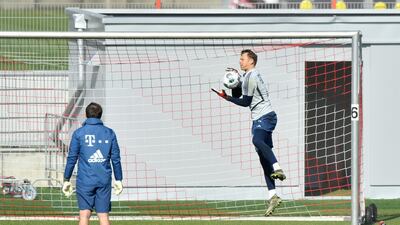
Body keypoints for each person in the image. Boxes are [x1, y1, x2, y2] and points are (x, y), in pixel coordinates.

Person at [212, 49, 286, 216]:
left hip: (266, 117)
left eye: (242, 59)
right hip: (259, 119)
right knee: (263, 157)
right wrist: (236, 82)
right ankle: (273, 195)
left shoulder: (252, 76)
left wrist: (226, 97)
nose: (240, 61)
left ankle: (278, 167)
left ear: (251, 61)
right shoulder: (247, 77)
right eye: (240, 59)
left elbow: (245, 102)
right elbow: (240, 93)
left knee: (256, 141)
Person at [62, 102, 123, 225]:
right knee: (103, 215)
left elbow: (72, 158)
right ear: (100, 115)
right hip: (103, 179)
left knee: (84, 215)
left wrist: (66, 178)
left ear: (86, 115)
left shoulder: (79, 133)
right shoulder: (109, 133)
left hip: (85, 180)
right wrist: (119, 179)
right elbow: (115, 158)